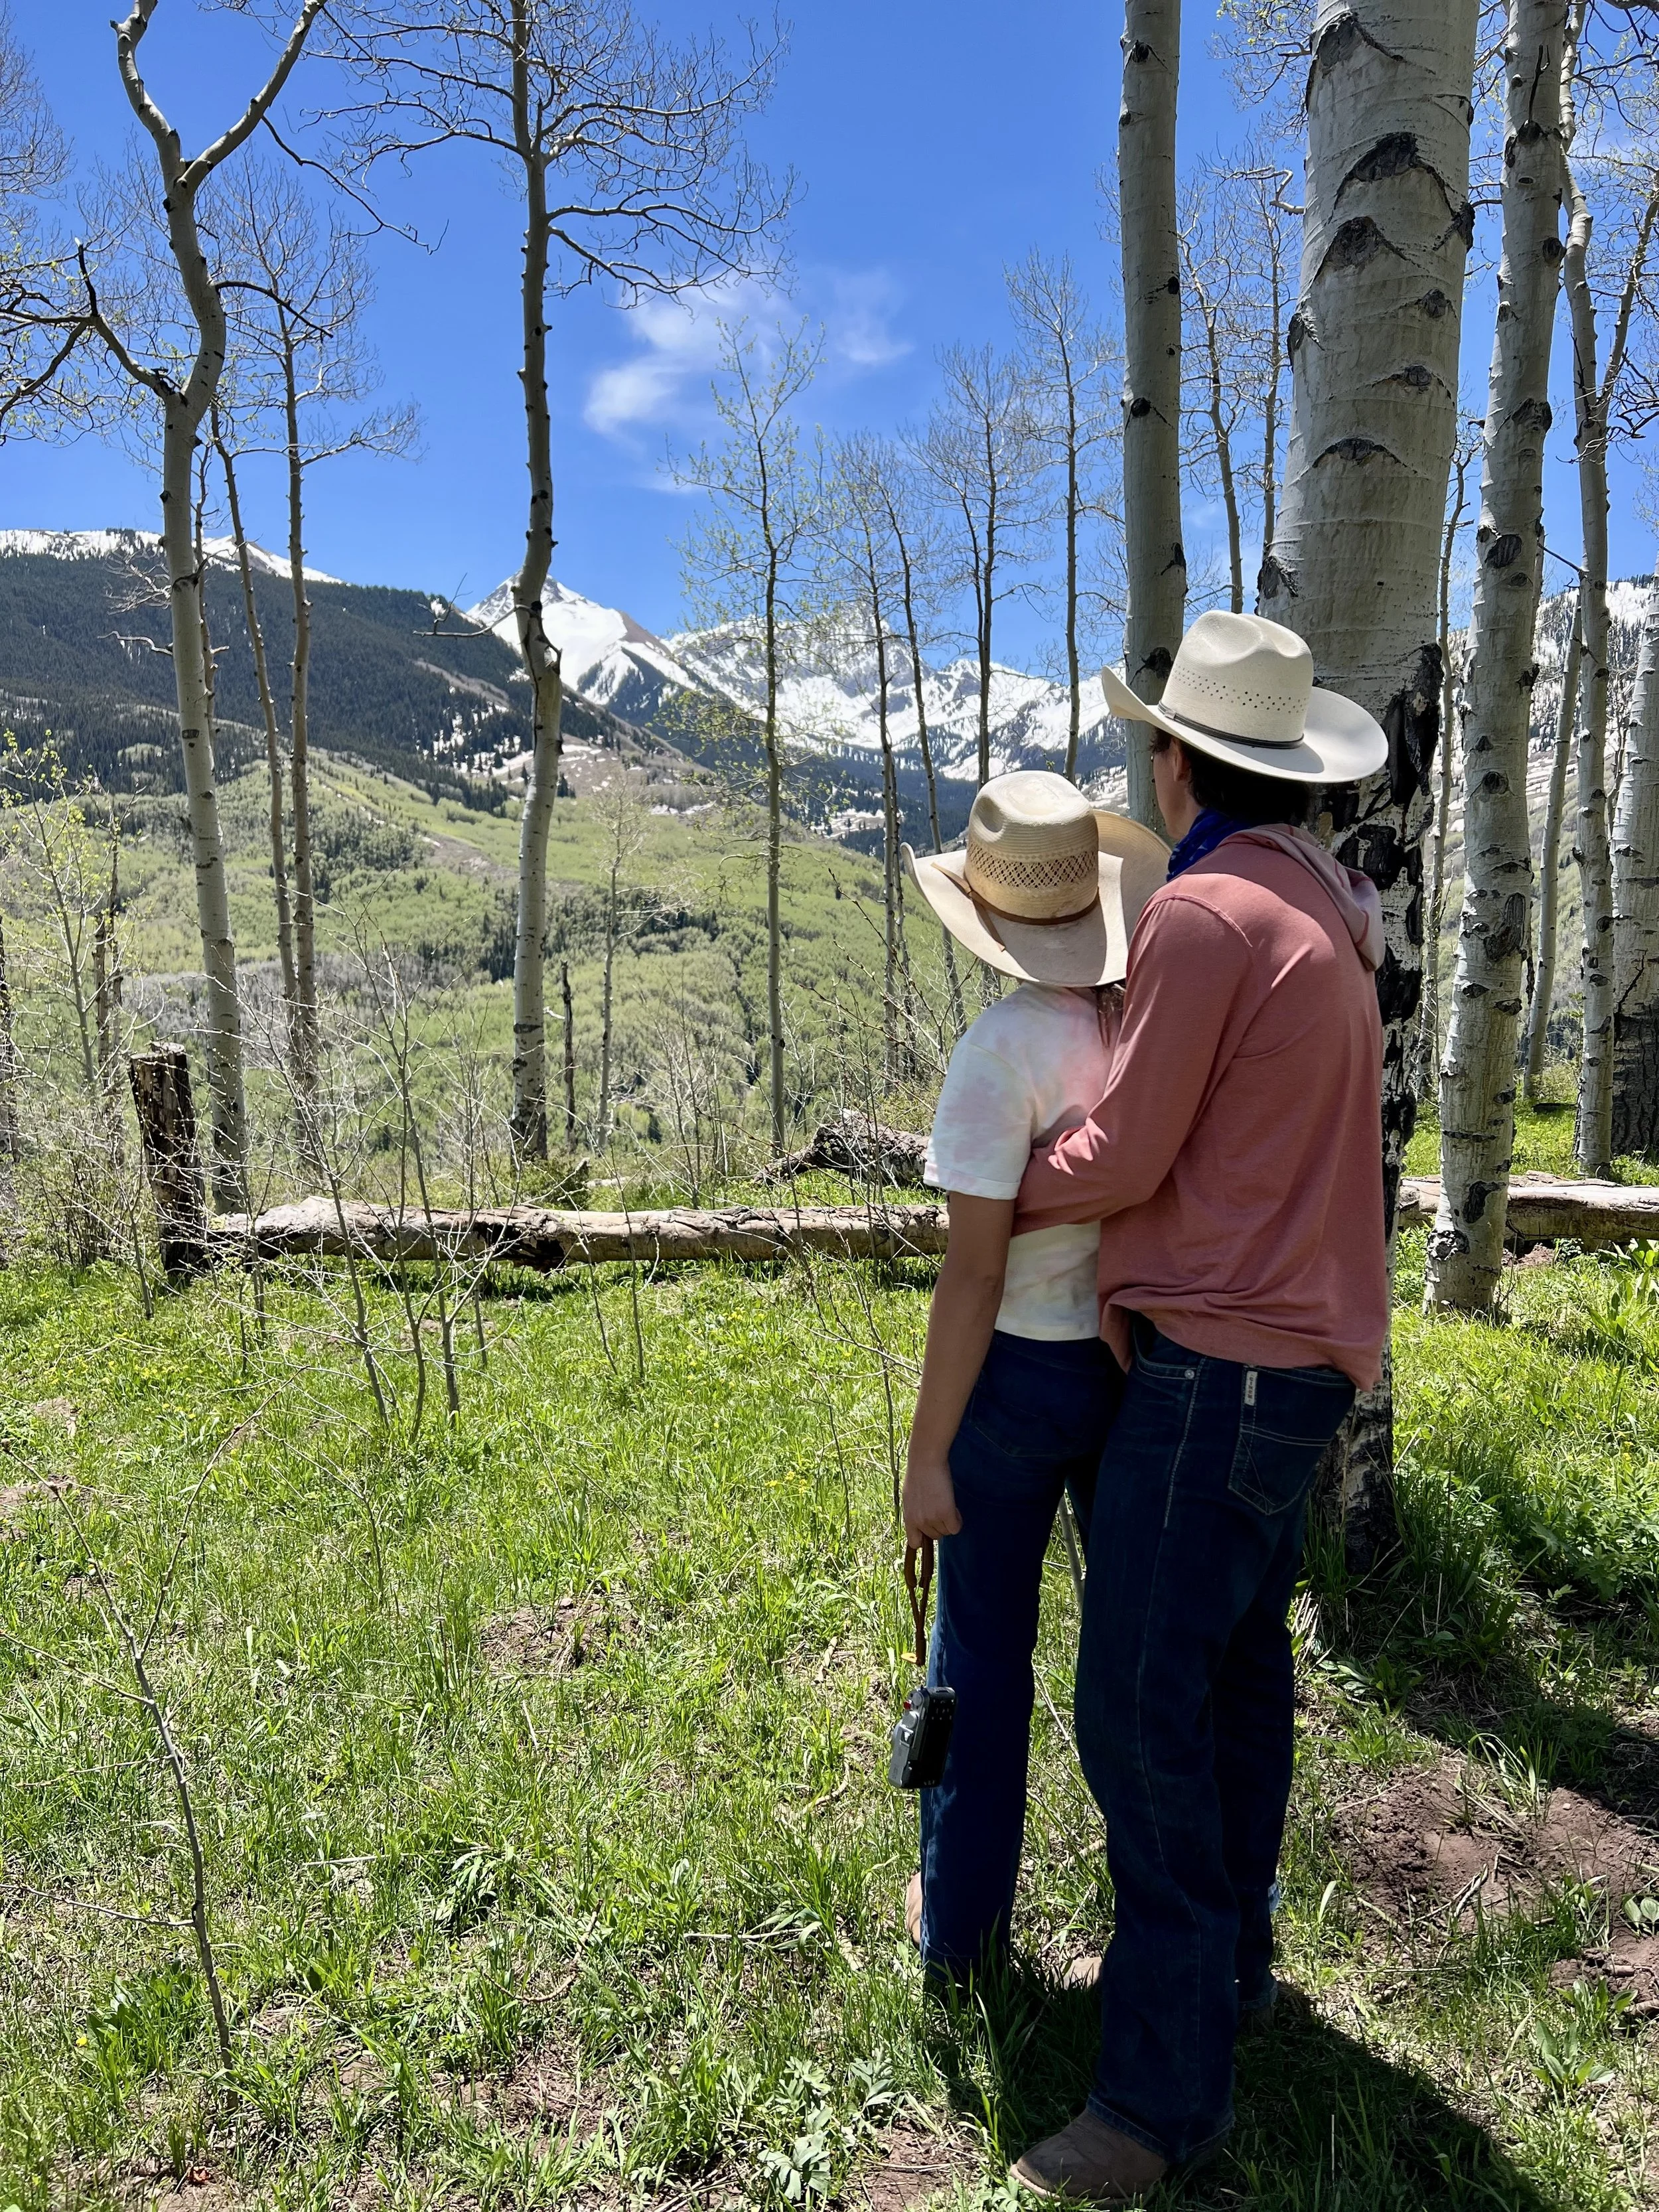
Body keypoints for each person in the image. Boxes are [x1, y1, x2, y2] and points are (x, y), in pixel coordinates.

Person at [1007, 612, 1392, 2204]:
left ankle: (1156, 2100)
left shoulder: (1203, 914)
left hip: (1215, 1363)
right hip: (1297, 1359)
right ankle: (1224, 1970)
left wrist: (988, 1187)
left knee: (1134, 1714)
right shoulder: (1321, 905)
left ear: (1178, 762)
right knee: (1231, 1685)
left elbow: (1129, 1151)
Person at [899, 771, 1169, 1986]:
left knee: (982, 1658)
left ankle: (959, 1934)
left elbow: (971, 1275)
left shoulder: (1000, 1051)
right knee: (1132, 1659)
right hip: (1127, 1368)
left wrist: (924, 1459)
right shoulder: (1142, 1033)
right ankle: (1161, 1928)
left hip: (1012, 1378)